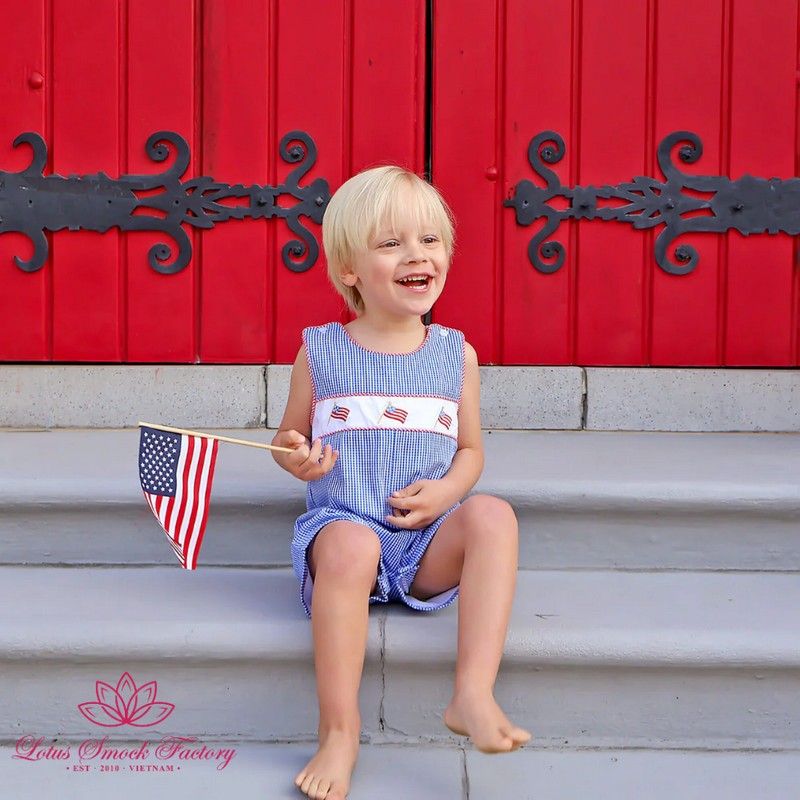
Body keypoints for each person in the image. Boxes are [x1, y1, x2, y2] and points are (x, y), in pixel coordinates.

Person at [271, 165, 530, 800]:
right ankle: (340, 730)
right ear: (349, 268)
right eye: (391, 244)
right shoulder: (321, 350)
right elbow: (286, 438)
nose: (417, 255)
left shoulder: (455, 354)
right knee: (351, 545)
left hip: (423, 541)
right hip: (346, 531)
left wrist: (449, 493)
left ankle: (471, 691)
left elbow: (470, 451)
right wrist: (296, 458)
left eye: (431, 241)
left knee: (494, 515)